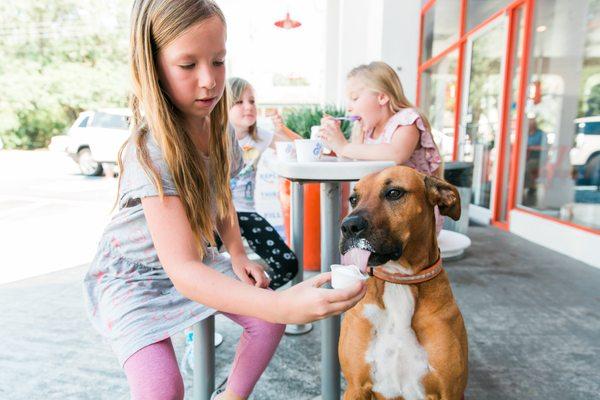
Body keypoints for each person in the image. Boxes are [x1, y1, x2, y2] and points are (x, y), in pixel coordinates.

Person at [82, 2, 366, 399]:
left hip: (192, 262)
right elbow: (182, 269)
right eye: (187, 65)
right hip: (132, 280)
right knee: (162, 388)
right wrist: (285, 306)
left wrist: (237, 254)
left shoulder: (219, 129)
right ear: (153, 65)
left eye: (218, 61)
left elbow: (220, 197)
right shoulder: (151, 149)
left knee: (266, 319)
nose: (209, 81)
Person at [319, 61, 444, 234]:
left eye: (355, 98)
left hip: (412, 215)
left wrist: (344, 146)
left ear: (382, 97)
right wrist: (331, 140)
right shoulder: (366, 131)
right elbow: (347, 159)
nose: (349, 106)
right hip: (378, 212)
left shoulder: (406, 121)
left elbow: (396, 154)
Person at [226, 77, 301, 289]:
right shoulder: (211, 138)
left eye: (252, 101)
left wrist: (283, 129)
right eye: (239, 102)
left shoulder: (260, 137)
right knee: (204, 265)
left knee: (288, 264)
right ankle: (236, 296)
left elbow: (297, 150)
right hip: (215, 215)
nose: (248, 107)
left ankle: (256, 299)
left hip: (246, 214)